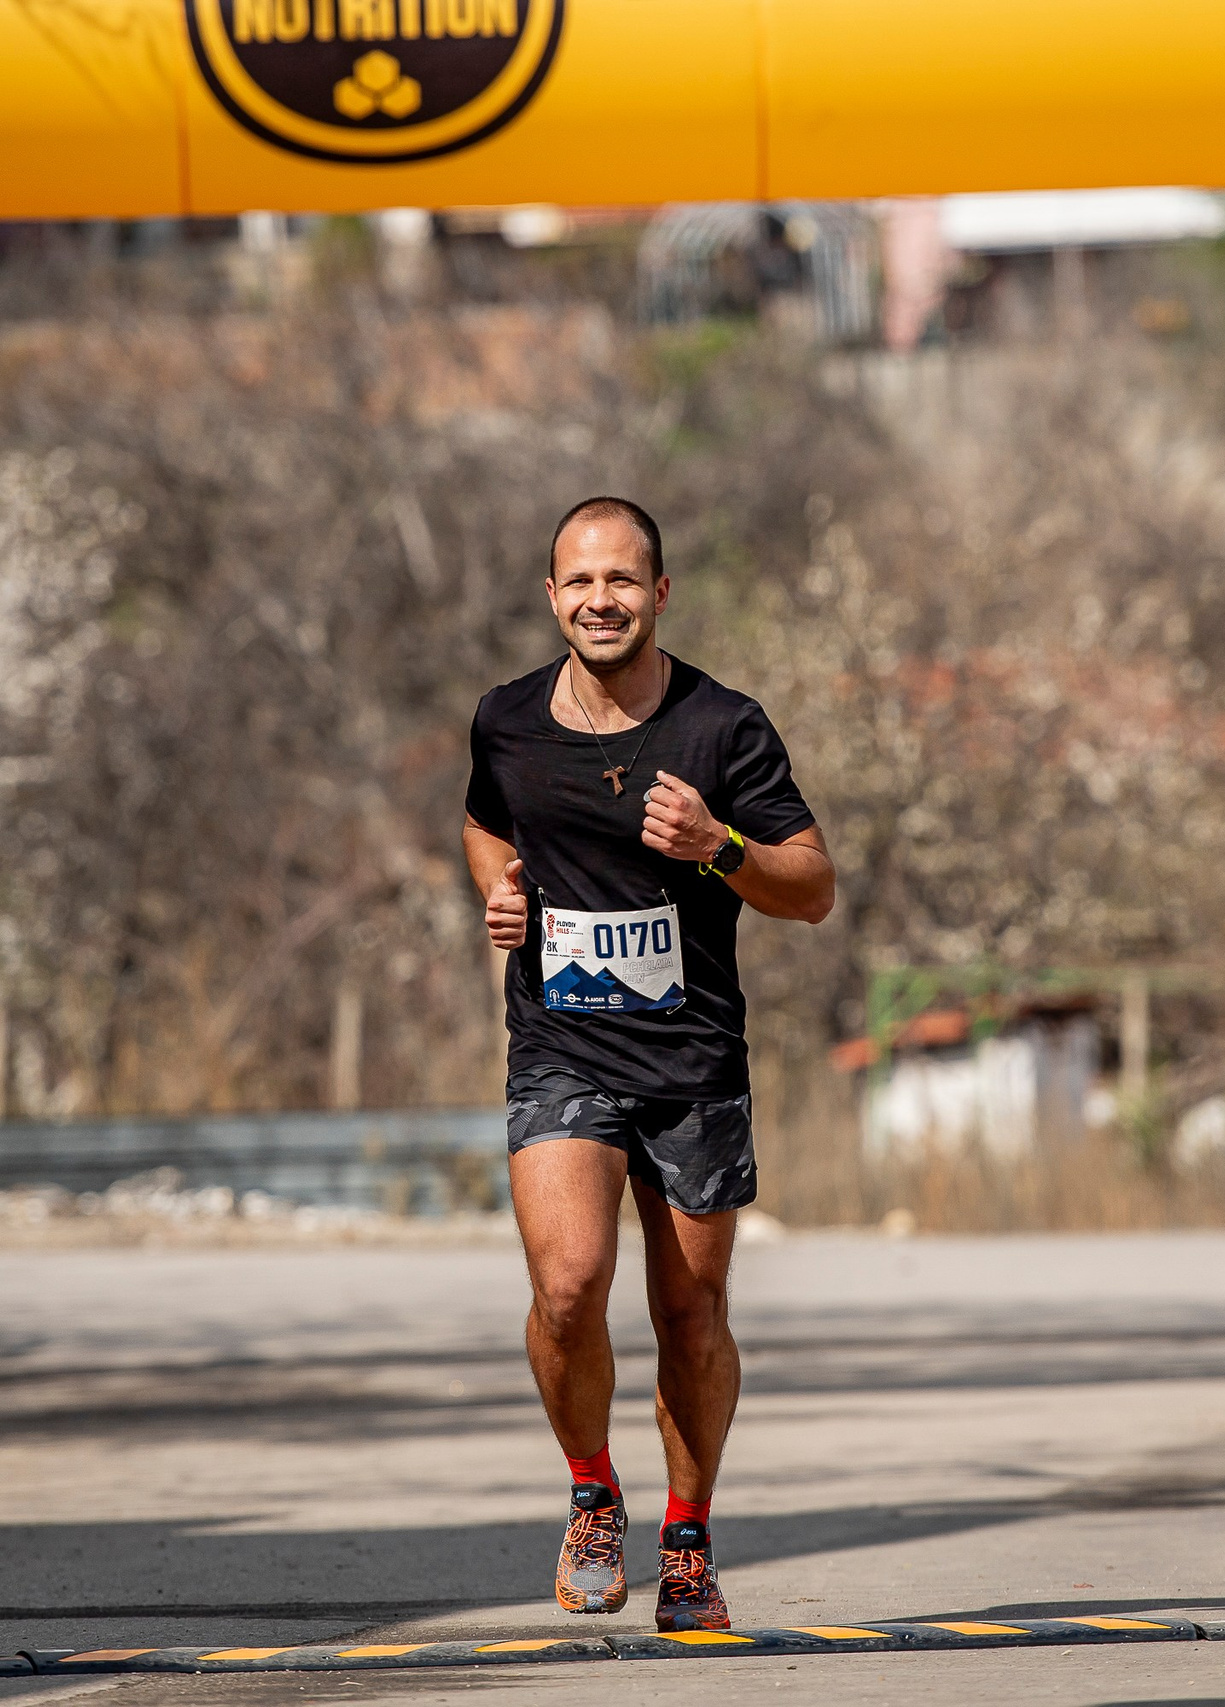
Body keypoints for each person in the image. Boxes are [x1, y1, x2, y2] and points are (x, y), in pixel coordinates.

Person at [463, 496, 835, 1632]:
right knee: (568, 1286)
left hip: (691, 1062)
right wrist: (499, 885)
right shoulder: (507, 721)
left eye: (622, 581)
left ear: (660, 593)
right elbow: (487, 820)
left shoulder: (722, 727)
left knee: (692, 1314)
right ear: (551, 597)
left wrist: (718, 847)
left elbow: (811, 887)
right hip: (562, 1047)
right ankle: (592, 1495)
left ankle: (687, 1534)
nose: (600, 601)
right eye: (579, 583)